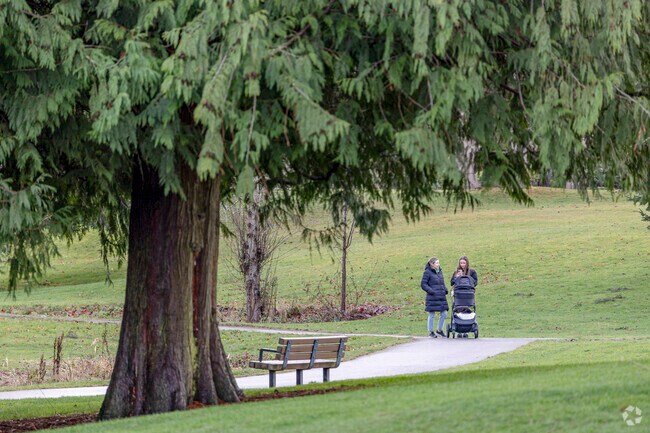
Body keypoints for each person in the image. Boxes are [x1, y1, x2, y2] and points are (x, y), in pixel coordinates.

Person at [420, 257, 448, 338]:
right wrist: (431, 291)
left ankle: (439, 330)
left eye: (439, 263)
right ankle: (430, 331)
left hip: (441, 296)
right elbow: (423, 284)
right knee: (431, 314)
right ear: (432, 264)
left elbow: (441, 283)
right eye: (437, 263)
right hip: (432, 297)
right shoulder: (427, 272)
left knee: (444, 313)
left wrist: (445, 289)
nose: (438, 264)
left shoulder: (440, 272)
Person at [450, 255, 477, 338]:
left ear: (467, 263)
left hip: (468, 294)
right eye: (461, 263)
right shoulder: (456, 272)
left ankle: (467, 330)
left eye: (464, 263)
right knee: (458, 309)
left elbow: (475, 282)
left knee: (467, 309)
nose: (462, 265)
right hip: (459, 295)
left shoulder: (472, 272)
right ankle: (459, 329)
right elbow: (451, 282)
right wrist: (457, 277)